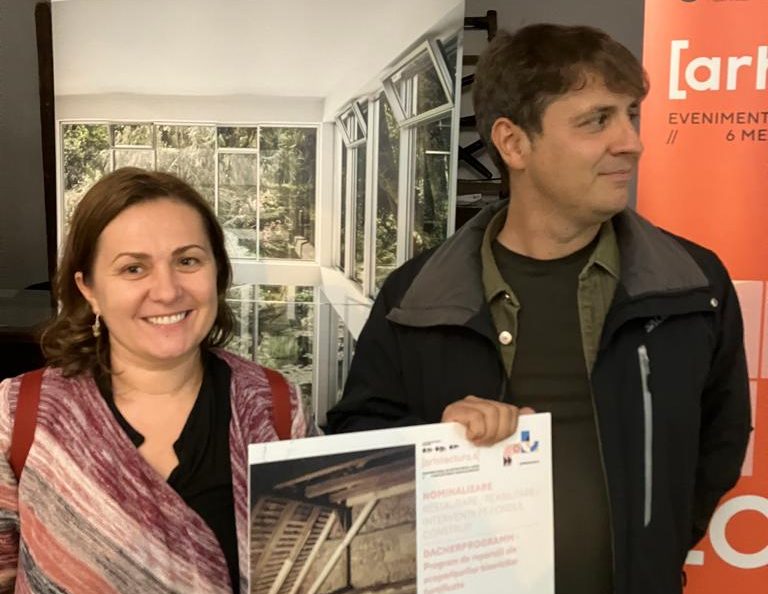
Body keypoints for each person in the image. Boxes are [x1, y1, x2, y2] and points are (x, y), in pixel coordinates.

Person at [326, 23, 751, 594]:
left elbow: (719, 443)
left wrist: (653, 552)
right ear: (513, 143)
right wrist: (437, 437)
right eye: (597, 120)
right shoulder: (415, 295)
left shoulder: (694, 284)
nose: (631, 141)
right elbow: (357, 439)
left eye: (631, 115)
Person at [0, 168, 306, 593]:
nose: (166, 291)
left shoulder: (278, 407)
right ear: (89, 288)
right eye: (133, 268)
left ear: (217, 271)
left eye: (187, 261)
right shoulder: (19, 414)